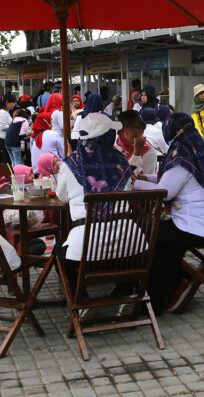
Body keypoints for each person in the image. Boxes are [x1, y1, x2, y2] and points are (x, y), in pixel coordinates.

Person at [133, 113, 204, 315]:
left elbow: (164, 193)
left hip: (198, 225)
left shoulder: (181, 156)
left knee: (149, 235)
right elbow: (167, 179)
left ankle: (157, 298)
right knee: (161, 242)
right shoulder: (192, 147)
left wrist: (134, 184)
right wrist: (143, 178)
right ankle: (174, 285)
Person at [54, 113, 134, 294]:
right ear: (107, 137)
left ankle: (81, 301)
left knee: (59, 253)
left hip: (85, 246)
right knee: (129, 256)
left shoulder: (71, 163)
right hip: (128, 244)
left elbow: (62, 197)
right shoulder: (122, 162)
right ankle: (124, 294)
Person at [115, 110, 157, 176]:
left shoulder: (149, 151)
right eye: (132, 126)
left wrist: (137, 153)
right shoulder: (114, 145)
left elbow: (132, 178)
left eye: (140, 127)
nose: (137, 130)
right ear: (122, 129)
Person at [30, 112, 64, 176]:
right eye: (50, 120)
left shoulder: (32, 138)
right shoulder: (53, 134)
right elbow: (63, 154)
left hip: (37, 172)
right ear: (46, 121)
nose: (51, 122)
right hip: (53, 171)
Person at [0, 94, 15, 164]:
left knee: (6, 157)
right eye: (12, 103)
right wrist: (12, 125)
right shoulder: (3, 113)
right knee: (7, 158)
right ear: (7, 103)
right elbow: (1, 127)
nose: (14, 105)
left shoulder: (5, 112)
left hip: (2, 137)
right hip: (2, 138)